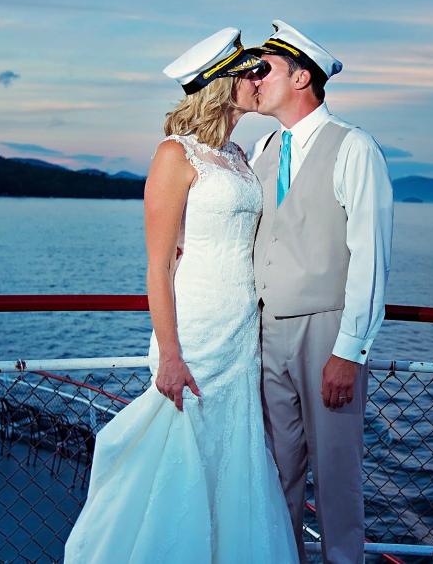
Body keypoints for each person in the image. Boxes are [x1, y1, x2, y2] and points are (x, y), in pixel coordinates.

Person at [64, 28, 298, 563]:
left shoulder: (237, 155)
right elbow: (157, 264)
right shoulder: (175, 154)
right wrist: (169, 354)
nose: (258, 81)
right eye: (250, 73)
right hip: (195, 330)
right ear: (222, 84)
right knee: (178, 453)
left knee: (231, 455)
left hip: (240, 331)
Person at [249, 20, 395, 564]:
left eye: (265, 70)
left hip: (326, 334)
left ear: (302, 77)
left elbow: (371, 257)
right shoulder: (264, 146)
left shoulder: (354, 148)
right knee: (275, 475)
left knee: (336, 479)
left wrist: (349, 351)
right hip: (267, 334)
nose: (254, 79)